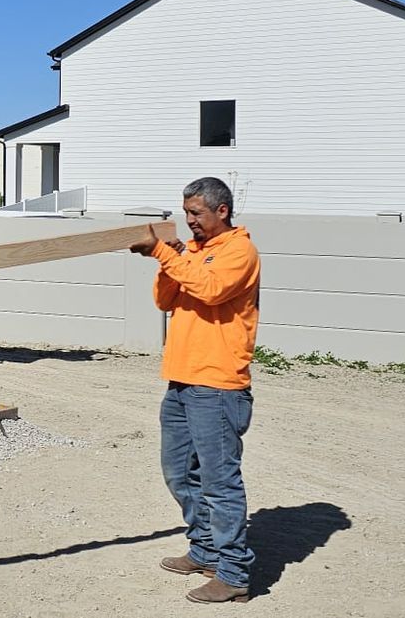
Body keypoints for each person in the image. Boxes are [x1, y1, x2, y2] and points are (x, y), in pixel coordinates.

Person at [132, 177, 261, 604]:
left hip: (218, 385)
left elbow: (210, 290)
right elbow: (164, 301)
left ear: (221, 211)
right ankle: (204, 549)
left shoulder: (239, 252)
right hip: (182, 379)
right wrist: (165, 260)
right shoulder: (194, 252)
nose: (190, 222)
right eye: (186, 214)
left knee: (219, 481)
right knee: (178, 471)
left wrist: (165, 253)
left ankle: (233, 572)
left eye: (197, 214)